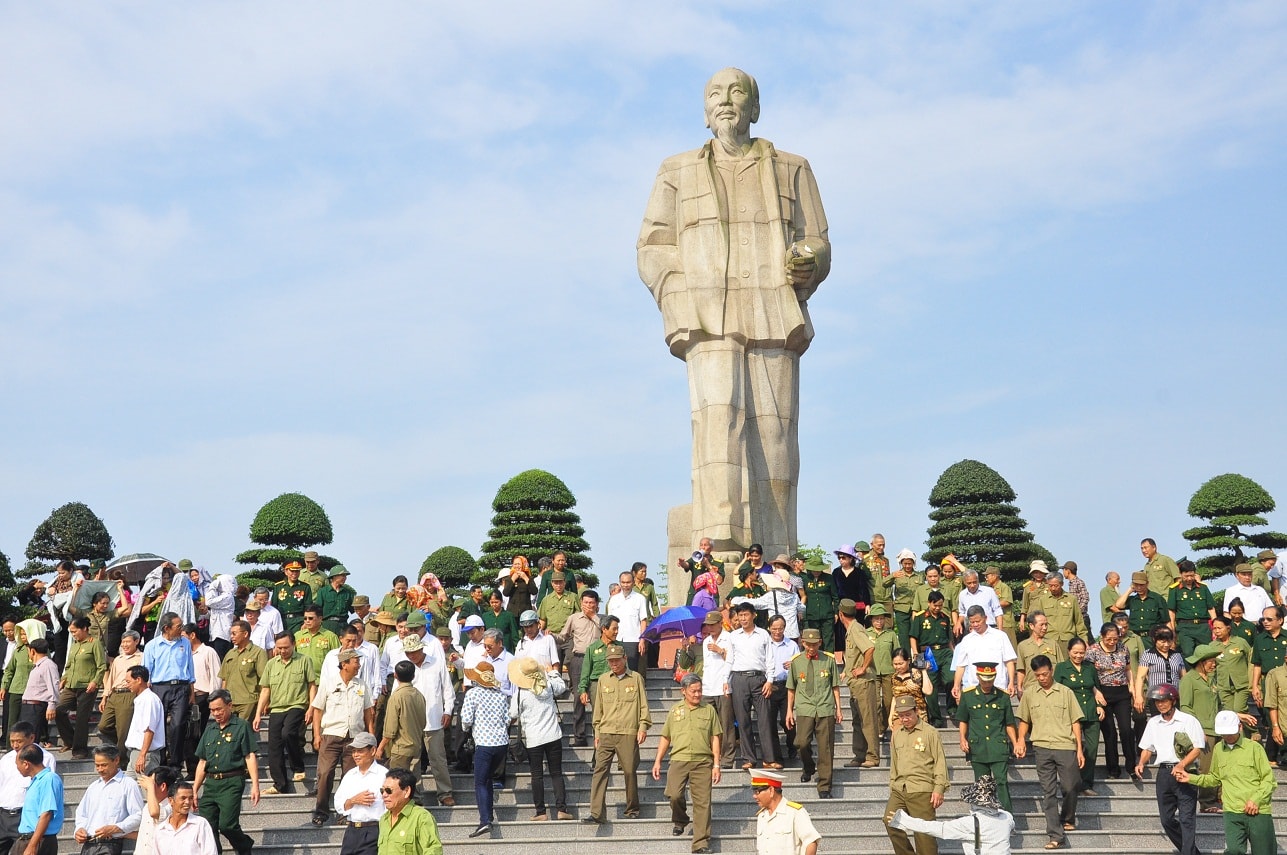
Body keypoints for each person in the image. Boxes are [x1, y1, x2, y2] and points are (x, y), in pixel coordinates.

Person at [637, 66, 831, 556]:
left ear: (755, 107)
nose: (726, 100)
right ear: (706, 113)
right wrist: (680, 298)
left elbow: (819, 241)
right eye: (715, 94)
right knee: (716, 424)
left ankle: (778, 547)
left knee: (776, 434)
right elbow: (653, 247)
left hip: (772, 311)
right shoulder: (675, 170)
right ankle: (717, 538)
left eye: (737, 92)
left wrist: (809, 263)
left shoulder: (793, 167)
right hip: (708, 314)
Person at [1178, 709, 1277, 855]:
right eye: (1224, 733)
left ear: (1240, 727)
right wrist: (1191, 778)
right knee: (1234, 850)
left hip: (1258, 811)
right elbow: (1215, 778)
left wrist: (1256, 800)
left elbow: (1269, 780)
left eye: (1230, 732)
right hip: (1232, 812)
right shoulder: (1218, 749)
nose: (1228, 736)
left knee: (1265, 851)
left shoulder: (1255, 748)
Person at [1015, 655, 1085, 850]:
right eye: (1038, 675)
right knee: (1048, 792)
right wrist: (1021, 739)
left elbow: (1075, 722)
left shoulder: (1066, 692)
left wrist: (1079, 749)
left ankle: (1068, 818)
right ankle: (1055, 834)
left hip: (1065, 746)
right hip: (1042, 747)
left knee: (1071, 786)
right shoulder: (1029, 694)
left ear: (1051, 671)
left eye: (1045, 674)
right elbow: (1024, 720)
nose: (1042, 678)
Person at [653, 673, 721, 853]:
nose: (698, 694)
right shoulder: (675, 710)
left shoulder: (709, 710)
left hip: (702, 761)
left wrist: (716, 764)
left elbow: (715, 737)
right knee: (674, 795)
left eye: (700, 690)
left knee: (702, 803)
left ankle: (700, 843)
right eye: (693, 691)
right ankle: (680, 820)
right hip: (678, 760)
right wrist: (658, 760)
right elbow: (665, 736)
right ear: (683, 691)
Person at [583, 644, 651, 825]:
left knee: (629, 770)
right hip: (606, 731)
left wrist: (643, 726)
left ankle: (632, 808)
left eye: (616, 660)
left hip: (628, 732)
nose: (613, 663)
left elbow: (643, 704)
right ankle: (596, 813)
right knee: (599, 770)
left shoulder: (636, 678)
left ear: (624, 659)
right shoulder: (604, 679)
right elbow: (598, 708)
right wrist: (596, 731)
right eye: (610, 661)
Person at [1135, 683, 1204, 855]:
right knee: (1166, 820)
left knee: (1187, 819)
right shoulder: (1153, 722)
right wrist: (1141, 762)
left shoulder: (1189, 720)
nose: (1160, 704)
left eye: (1164, 701)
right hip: (1164, 773)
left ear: (1173, 701)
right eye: (1157, 702)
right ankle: (1192, 852)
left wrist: (1182, 764)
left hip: (1185, 772)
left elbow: (1197, 748)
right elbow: (1147, 748)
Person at [191, 689, 259, 855]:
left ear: (230, 706)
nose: (216, 713)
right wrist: (194, 789)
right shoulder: (210, 730)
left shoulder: (241, 726)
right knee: (208, 827)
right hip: (211, 783)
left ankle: (244, 845)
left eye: (219, 709)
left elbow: (249, 756)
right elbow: (202, 761)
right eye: (213, 710)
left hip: (232, 781)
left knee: (227, 825)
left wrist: (255, 786)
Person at [310, 648, 374, 825]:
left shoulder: (361, 685)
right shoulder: (329, 683)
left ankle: (345, 812)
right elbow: (317, 710)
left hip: (355, 738)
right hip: (331, 735)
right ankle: (321, 811)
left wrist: (371, 736)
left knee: (350, 776)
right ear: (344, 664)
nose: (358, 665)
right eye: (355, 661)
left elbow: (369, 712)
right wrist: (316, 735)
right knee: (324, 773)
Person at [889, 774, 1016, 855]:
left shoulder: (970, 823)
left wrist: (903, 820)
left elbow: (937, 829)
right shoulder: (1006, 817)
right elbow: (1011, 828)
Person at [884, 695, 948, 855]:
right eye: (901, 716)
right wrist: (892, 785)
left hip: (922, 790)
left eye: (908, 715)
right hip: (900, 789)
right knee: (889, 821)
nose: (904, 719)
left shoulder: (930, 732)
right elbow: (894, 764)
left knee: (924, 838)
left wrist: (939, 788)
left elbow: (940, 761)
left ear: (916, 711)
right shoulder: (897, 734)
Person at [509, 656, 570, 821]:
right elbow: (562, 686)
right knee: (556, 772)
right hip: (553, 735)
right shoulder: (548, 686)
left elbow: (513, 714)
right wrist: (552, 673)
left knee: (536, 775)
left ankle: (541, 812)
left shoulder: (521, 693)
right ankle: (561, 809)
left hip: (534, 739)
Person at [256, 632, 317, 795]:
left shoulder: (304, 660)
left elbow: (312, 685)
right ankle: (279, 784)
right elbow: (265, 689)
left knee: (288, 733)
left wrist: (311, 707)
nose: (283, 651)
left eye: (286, 647)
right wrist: (257, 713)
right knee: (273, 746)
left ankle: (298, 767)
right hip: (276, 708)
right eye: (279, 648)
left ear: (294, 645)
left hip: (297, 705)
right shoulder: (271, 664)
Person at [784, 628, 840, 798]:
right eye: (808, 644)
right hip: (804, 708)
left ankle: (824, 785)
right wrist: (789, 711)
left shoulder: (828, 660)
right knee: (801, 742)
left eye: (814, 644)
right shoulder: (796, 661)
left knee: (826, 748)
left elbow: (835, 686)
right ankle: (808, 767)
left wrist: (838, 708)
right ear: (803, 643)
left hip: (824, 707)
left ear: (820, 643)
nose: (811, 647)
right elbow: (791, 688)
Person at [957, 662, 1017, 813]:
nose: (987, 683)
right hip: (978, 747)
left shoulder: (1002, 696)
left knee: (1001, 782)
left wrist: (1015, 743)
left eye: (990, 679)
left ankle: (1007, 817)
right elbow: (963, 719)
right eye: (984, 680)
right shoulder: (968, 695)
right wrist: (962, 738)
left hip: (998, 746)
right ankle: (984, 818)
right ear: (978, 677)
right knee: (982, 785)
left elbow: (1009, 723)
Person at [459, 661, 509, 838]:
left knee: (480, 782)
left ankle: (485, 820)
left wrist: (467, 730)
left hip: (484, 744)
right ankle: (488, 815)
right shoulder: (501, 695)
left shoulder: (473, 694)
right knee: (488, 780)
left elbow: (465, 719)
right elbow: (508, 719)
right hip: (501, 744)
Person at [725, 601, 775, 770]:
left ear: (754, 615)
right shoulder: (733, 636)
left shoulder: (763, 635)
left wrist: (770, 680)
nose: (743, 618)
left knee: (765, 719)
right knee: (743, 720)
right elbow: (729, 659)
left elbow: (770, 659)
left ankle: (768, 758)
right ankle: (748, 758)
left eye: (746, 615)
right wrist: (726, 681)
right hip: (739, 679)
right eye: (740, 615)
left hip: (759, 679)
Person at [141, 612, 194, 767]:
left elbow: (190, 668)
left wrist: (191, 691)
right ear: (166, 628)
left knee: (178, 725)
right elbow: (146, 670)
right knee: (159, 726)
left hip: (181, 687)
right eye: (178, 626)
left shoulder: (185, 643)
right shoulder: (152, 646)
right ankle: (161, 762)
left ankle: (176, 763)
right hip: (159, 688)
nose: (181, 629)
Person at [1085, 623, 1137, 780]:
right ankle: (1113, 769)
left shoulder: (1123, 648)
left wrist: (1132, 688)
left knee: (1126, 730)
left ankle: (1131, 766)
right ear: (1102, 636)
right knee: (1110, 733)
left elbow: (1128, 669)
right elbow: (1088, 673)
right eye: (1109, 639)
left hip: (1121, 692)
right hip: (1102, 692)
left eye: (1115, 638)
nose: (1112, 642)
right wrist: (1096, 692)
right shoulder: (1093, 650)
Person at [73, 745, 144, 855]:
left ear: (116, 760)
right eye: (97, 765)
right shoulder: (93, 787)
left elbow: (138, 815)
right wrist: (79, 829)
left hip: (110, 844)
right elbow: (82, 813)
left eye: (104, 765)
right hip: (88, 844)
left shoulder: (128, 784)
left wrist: (117, 828)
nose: (100, 769)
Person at [1179, 643, 1223, 812]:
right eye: (1211, 661)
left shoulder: (1212, 678)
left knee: (1219, 765)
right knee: (1206, 768)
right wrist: (1198, 729)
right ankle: (1206, 802)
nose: (1214, 664)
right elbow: (1185, 707)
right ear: (1201, 661)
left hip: (1217, 728)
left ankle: (1219, 798)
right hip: (1203, 731)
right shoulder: (1189, 679)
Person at [0, 723, 55, 855]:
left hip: (24, 816)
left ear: (31, 738)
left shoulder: (45, 758)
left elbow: (45, 792)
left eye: (19, 741)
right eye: (12, 741)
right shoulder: (6, 758)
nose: (15, 745)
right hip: (3, 815)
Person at [555, 589, 601, 746]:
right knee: (578, 697)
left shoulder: (601, 620)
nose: (588, 606)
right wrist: (552, 636)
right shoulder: (573, 618)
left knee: (597, 697)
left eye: (591, 603)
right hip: (578, 659)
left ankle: (599, 736)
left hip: (597, 659)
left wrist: (593, 617)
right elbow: (563, 637)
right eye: (585, 603)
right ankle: (579, 737)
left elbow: (608, 633)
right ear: (581, 603)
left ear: (597, 604)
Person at [1054, 639, 1099, 796]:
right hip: (1071, 715)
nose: (1079, 655)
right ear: (1068, 651)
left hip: (1091, 713)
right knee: (1072, 749)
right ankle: (1072, 782)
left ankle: (1086, 783)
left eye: (1082, 652)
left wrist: (1099, 706)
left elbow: (1096, 689)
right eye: (1075, 652)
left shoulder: (1090, 668)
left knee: (1092, 748)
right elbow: (1056, 691)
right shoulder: (1061, 668)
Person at [56, 615, 105, 758]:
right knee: (59, 710)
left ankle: (79, 749)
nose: (73, 635)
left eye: (75, 631)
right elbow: (69, 665)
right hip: (71, 685)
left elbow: (101, 666)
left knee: (81, 718)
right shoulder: (74, 645)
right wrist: (64, 679)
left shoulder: (94, 643)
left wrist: (95, 682)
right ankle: (70, 740)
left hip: (87, 686)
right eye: (71, 632)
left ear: (84, 629)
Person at [838, 599, 879, 768]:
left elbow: (869, 648)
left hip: (863, 681)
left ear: (841, 614)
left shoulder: (855, 629)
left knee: (867, 719)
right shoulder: (852, 629)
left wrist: (863, 668)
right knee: (857, 720)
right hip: (855, 683)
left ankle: (872, 756)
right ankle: (860, 755)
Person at [334, 732, 386, 855]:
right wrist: (353, 801)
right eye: (353, 751)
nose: (355, 755)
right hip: (351, 831)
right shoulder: (350, 775)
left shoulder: (384, 775)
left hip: (374, 830)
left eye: (360, 751)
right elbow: (338, 804)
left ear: (373, 751)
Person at [952, 607, 1018, 702]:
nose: (975, 625)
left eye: (978, 621)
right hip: (974, 689)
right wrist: (956, 685)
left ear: (985, 618)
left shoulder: (1000, 636)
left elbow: (1009, 662)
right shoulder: (967, 640)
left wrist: (1011, 682)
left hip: (998, 687)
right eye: (972, 622)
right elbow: (960, 666)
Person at [750, 768, 821, 855]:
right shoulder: (762, 815)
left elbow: (811, 842)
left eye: (757, 792)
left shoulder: (794, 812)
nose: (754, 796)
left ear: (771, 791)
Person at [909, 591, 953, 726]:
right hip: (927, 653)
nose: (938, 608)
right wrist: (916, 655)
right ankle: (936, 718)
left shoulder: (945, 617)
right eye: (935, 605)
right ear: (929, 603)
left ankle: (952, 708)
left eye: (940, 605)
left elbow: (949, 639)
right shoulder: (920, 617)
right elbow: (913, 637)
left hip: (945, 652)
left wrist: (954, 653)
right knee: (930, 688)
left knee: (951, 678)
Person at [376, 767, 442, 855]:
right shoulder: (384, 819)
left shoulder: (421, 817)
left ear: (406, 791)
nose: (384, 795)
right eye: (382, 791)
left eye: (388, 790)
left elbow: (433, 850)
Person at [98, 631, 143, 756]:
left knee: (123, 730)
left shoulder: (142, 657)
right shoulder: (118, 659)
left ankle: (122, 759)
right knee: (103, 726)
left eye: (128, 642)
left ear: (136, 641)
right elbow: (111, 678)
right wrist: (104, 697)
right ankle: (123, 745)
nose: (124, 645)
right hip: (114, 694)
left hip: (129, 694)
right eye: (123, 642)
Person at [14, 743, 62, 855]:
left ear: (26, 764)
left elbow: (46, 814)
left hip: (39, 840)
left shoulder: (48, 779)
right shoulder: (35, 781)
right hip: (27, 838)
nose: (17, 769)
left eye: (17, 765)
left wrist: (32, 845)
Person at [379, 660, 426, 774]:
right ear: (413, 676)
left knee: (398, 783)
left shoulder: (396, 696)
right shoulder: (419, 695)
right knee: (413, 783)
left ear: (395, 675)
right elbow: (423, 722)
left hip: (401, 749)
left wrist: (380, 748)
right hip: (416, 746)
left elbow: (390, 730)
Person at [219, 620, 268, 726]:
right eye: (230, 634)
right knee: (230, 734)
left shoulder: (258, 653)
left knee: (242, 732)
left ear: (245, 634)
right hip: (230, 702)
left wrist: (264, 702)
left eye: (234, 634)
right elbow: (224, 679)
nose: (231, 637)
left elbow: (264, 681)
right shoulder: (230, 653)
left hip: (248, 702)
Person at [765, 615, 799, 764]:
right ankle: (777, 757)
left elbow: (800, 664)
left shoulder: (792, 645)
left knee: (789, 721)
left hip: (787, 687)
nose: (777, 631)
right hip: (770, 686)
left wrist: (793, 666)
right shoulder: (765, 644)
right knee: (770, 723)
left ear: (785, 628)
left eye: (780, 628)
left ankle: (792, 746)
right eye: (774, 629)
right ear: (769, 628)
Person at [154, 780, 218, 855]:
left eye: (190, 798)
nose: (187, 802)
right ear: (171, 801)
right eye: (183, 798)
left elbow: (210, 852)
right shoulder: (160, 830)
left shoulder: (200, 824)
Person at [1168, 562, 1217, 656]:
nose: (1189, 578)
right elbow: (1171, 611)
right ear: (1181, 574)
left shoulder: (1203, 588)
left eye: (1191, 575)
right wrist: (1172, 630)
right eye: (1186, 576)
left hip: (1203, 627)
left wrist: (1215, 626)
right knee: (1188, 653)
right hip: (1185, 627)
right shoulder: (1174, 589)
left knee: (1206, 654)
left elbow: (1211, 608)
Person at [124, 665, 165, 774]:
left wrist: (142, 755)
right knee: (129, 789)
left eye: (128, 682)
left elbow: (149, 729)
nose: (127, 685)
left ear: (138, 680)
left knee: (146, 789)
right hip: (136, 754)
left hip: (146, 755)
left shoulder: (149, 700)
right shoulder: (141, 699)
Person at [607, 571, 650, 673]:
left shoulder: (640, 599)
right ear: (620, 582)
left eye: (628, 582)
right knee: (615, 669)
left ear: (633, 582)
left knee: (631, 670)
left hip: (633, 640)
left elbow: (643, 620)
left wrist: (642, 640)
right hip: (616, 639)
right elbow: (609, 621)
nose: (625, 585)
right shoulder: (614, 600)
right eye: (623, 582)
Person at [19, 639, 58, 746]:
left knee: (31, 738)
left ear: (32, 651)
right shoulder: (37, 666)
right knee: (24, 737)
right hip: (28, 706)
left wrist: (52, 705)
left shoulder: (48, 665)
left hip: (36, 706)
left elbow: (53, 685)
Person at [1015, 611, 1065, 695]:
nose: (1045, 628)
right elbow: (1021, 669)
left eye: (1046, 624)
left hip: (1052, 690)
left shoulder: (1053, 644)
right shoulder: (1023, 646)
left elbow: (1061, 668)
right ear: (1031, 626)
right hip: (1031, 690)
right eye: (1041, 625)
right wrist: (1019, 688)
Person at [1111, 571, 1170, 638]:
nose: (1139, 588)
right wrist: (1130, 590)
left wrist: (1170, 638)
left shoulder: (1157, 599)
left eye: (1141, 585)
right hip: (1134, 638)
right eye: (1136, 585)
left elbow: (1166, 621)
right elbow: (1118, 605)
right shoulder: (1132, 600)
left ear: (1147, 584)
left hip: (1152, 637)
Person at [800, 558, 837, 652]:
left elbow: (835, 597)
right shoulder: (805, 579)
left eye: (818, 569)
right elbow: (803, 596)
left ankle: (829, 662)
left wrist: (836, 612)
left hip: (827, 615)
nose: (816, 571)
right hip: (811, 615)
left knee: (828, 640)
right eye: (814, 569)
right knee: (814, 640)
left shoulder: (829, 578)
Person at [273, 561, 313, 635]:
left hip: (298, 621)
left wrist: (305, 622)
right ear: (286, 571)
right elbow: (274, 606)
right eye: (292, 571)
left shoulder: (305, 587)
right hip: (281, 621)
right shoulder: (278, 586)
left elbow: (308, 607)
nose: (295, 573)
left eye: (297, 571)